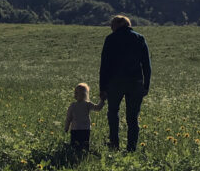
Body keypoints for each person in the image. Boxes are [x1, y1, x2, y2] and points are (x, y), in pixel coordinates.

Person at [99, 15, 150, 151]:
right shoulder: (139, 38)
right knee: (133, 117)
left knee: (113, 112)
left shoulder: (111, 39)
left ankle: (114, 144)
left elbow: (104, 65)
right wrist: (146, 85)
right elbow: (146, 64)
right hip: (135, 82)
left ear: (118, 24)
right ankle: (131, 148)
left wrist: (102, 88)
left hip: (115, 82)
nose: (111, 27)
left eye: (112, 25)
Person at [64, 83, 105, 152]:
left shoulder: (72, 106)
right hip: (85, 129)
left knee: (75, 146)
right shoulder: (87, 104)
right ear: (86, 94)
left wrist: (66, 128)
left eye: (76, 93)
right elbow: (98, 108)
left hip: (75, 129)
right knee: (85, 146)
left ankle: (75, 155)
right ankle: (83, 156)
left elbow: (68, 118)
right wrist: (102, 100)